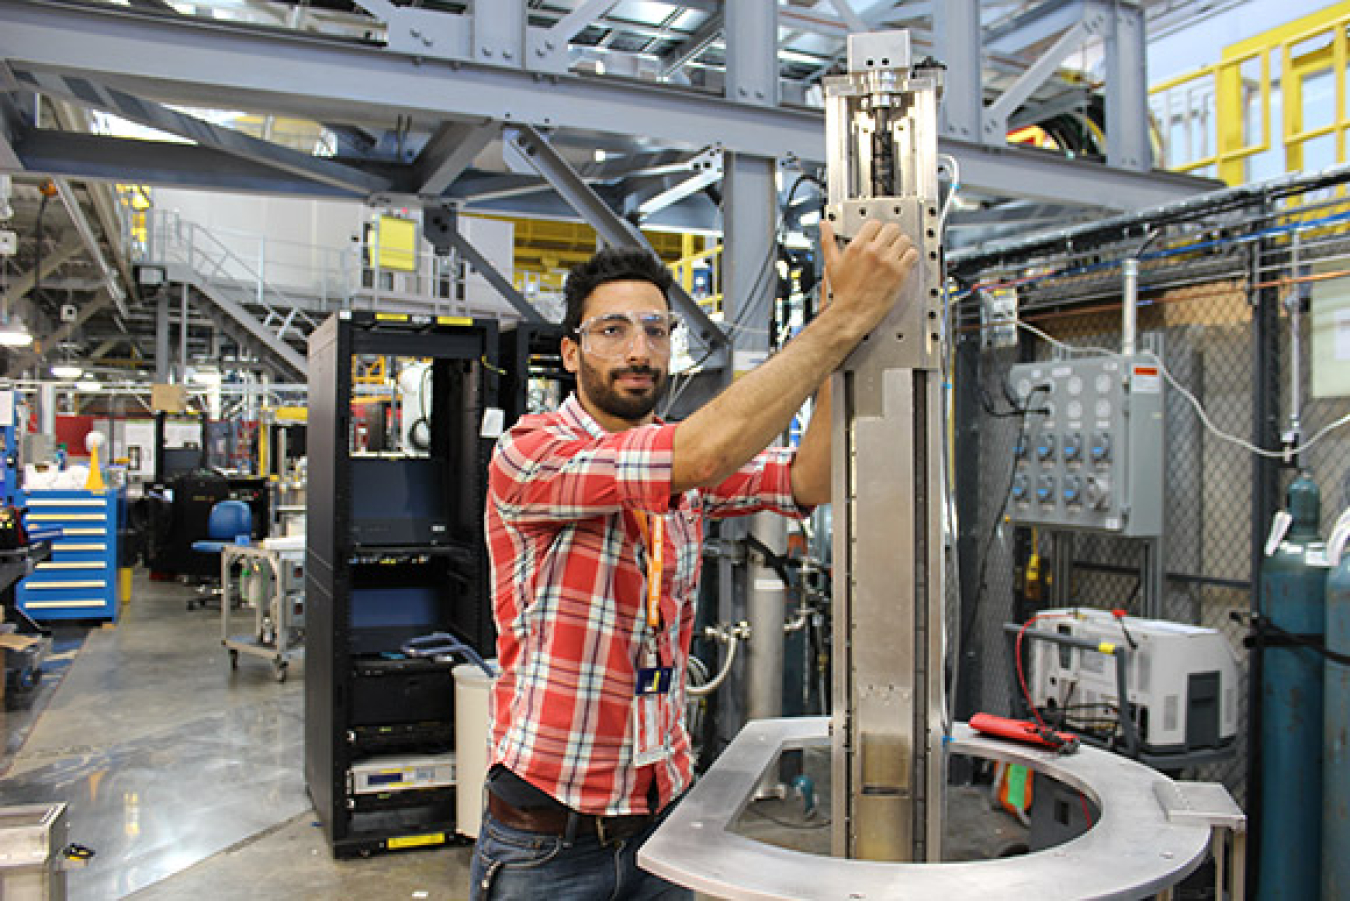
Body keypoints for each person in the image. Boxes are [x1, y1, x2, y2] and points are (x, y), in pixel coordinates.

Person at [472, 219, 918, 900]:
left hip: (663, 818)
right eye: (612, 330)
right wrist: (843, 315)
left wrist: (844, 337)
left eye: (656, 330)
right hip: (550, 836)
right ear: (569, 352)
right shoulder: (533, 453)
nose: (639, 349)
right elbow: (702, 453)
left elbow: (810, 479)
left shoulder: (678, 457)